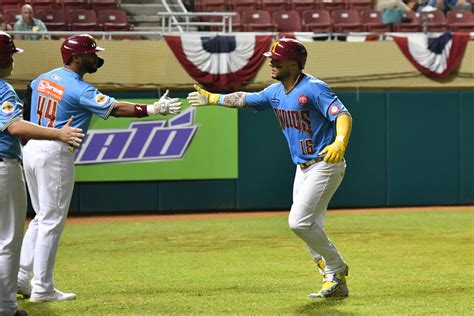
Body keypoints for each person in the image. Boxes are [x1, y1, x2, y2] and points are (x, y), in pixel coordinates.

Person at [16, 34, 182, 303]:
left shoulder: (42, 78)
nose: (96, 57)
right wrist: (153, 108)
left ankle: (22, 277)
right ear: (76, 57)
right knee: (51, 221)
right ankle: (42, 288)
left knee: (39, 217)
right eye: (91, 53)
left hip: (33, 147)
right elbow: (116, 109)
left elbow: (28, 104)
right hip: (56, 150)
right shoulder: (79, 88)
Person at [187, 38, 353, 299]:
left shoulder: (314, 88)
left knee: (299, 223)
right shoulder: (275, 92)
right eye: (271, 58)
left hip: (325, 163)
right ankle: (335, 283)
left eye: (278, 59)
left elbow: (342, 115)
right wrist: (213, 98)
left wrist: (340, 142)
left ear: (295, 63)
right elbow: (244, 99)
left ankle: (336, 267)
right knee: (312, 225)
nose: (272, 62)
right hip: (303, 168)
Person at [0, 31, 84, 316]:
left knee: (28, 225)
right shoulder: (3, 89)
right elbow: (14, 127)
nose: (13, 59)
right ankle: (10, 305)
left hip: (14, 161)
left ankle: (17, 288)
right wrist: (57, 132)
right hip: (3, 166)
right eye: (10, 54)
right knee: (9, 241)